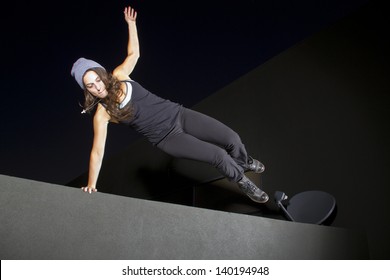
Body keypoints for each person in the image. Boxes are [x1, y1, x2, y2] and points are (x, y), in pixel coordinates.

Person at [71, 6, 269, 203]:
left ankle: (244, 162)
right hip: (168, 139)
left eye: (97, 79)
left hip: (179, 114)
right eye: (90, 85)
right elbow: (97, 151)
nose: (97, 86)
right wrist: (91, 183)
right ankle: (242, 181)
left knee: (232, 138)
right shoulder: (102, 113)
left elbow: (134, 54)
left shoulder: (120, 75)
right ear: (87, 90)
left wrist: (131, 24)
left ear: (102, 73)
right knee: (218, 155)